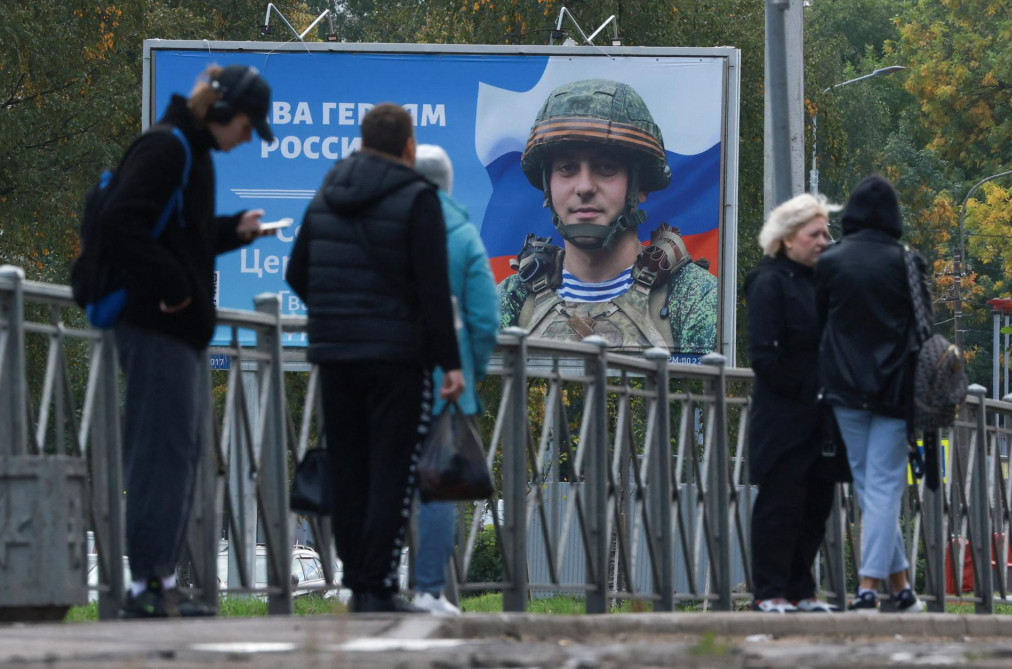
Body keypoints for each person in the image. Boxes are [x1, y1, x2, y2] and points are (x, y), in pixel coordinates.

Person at [98, 64, 277, 618]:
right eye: (250, 126)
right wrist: (176, 290)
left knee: (176, 453)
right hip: (155, 326)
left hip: (170, 328)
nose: (249, 138)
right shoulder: (169, 148)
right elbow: (121, 227)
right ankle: (147, 589)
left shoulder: (187, 150)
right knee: (159, 454)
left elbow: (177, 235)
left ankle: (159, 585)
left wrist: (232, 232)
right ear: (229, 114)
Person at [285, 104, 465, 613]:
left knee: (348, 468)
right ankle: (376, 586)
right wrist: (450, 363)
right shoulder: (418, 198)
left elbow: (298, 272)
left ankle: (354, 578)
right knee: (391, 470)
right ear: (408, 147)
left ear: (362, 143)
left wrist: (337, 313)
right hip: (395, 358)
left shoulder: (326, 195)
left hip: (334, 354)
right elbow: (433, 291)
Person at [496, 79, 718, 356]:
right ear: (548, 185)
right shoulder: (511, 299)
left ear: (639, 186)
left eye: (606, 167)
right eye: (567, 168)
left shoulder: (692, 296)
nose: (585, 187)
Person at [815, 175, 925, 614]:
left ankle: (894, 590)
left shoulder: (832, 262)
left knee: (871, 487)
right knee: (880, 488)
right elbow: (924, 329)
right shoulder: (907, 262)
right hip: (895, 395)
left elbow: (818, 321)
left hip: (844, 392)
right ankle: (874, 590)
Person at [745, 193, 846, 614]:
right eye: (815, 233)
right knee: (780, 506)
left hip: (823, 418)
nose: (825, 240)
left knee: (815, 506)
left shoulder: (821, 283)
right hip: (784, 417)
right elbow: (766, 357)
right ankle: (770, 592)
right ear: (788, 239)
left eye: (827, 232)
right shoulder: (768, 282)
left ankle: (802, 590)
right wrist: (811, 390)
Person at [410, 144, 500, 616]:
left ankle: (364, 581)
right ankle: (427, 590)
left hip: (385, 369)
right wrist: (473, 366)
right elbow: (485, 316)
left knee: (380, 473)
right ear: (447, 184)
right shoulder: (462, 234)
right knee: (438, 482)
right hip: (447, 379)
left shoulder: (386, 223)